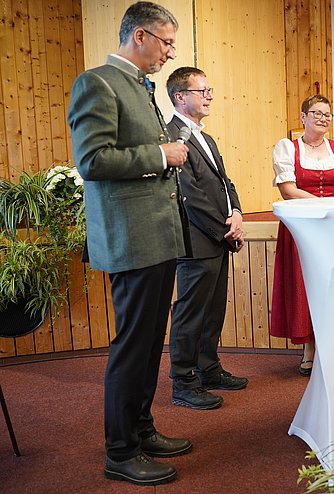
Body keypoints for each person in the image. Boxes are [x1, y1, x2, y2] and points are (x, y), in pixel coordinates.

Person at [67, 1, 191, 486]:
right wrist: (161, 153)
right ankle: (120, 451)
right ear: (139, 36)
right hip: (131, 237)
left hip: (156, 235)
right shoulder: (96, 82)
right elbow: (93, 160)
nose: (168, 52)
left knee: (148, 344)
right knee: (132, 346)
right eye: (165, 42)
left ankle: (141, 429)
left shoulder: (141, 87)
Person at [165, 67, 248, 410]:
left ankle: (208, 368)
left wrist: (238, 214)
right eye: (203, 91)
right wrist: (223, 228)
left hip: (216, 235)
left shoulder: (205, 137)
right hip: (195, 238)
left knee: (212, 310)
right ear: (180, 96)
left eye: (210, 89)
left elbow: (224, 183)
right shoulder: (170, 136)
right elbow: (191, 195)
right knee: (190, 311)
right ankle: (183, 381)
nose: (210, 96)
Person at [270, 94, 334, 376]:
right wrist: (320, 206)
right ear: (303, 117)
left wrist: (333, 210)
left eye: (327, 114)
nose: (322, 118)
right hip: (302, 228)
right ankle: (308, 349)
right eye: (316, 113)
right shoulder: (287, 148)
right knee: (304, 286)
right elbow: (288, 190)